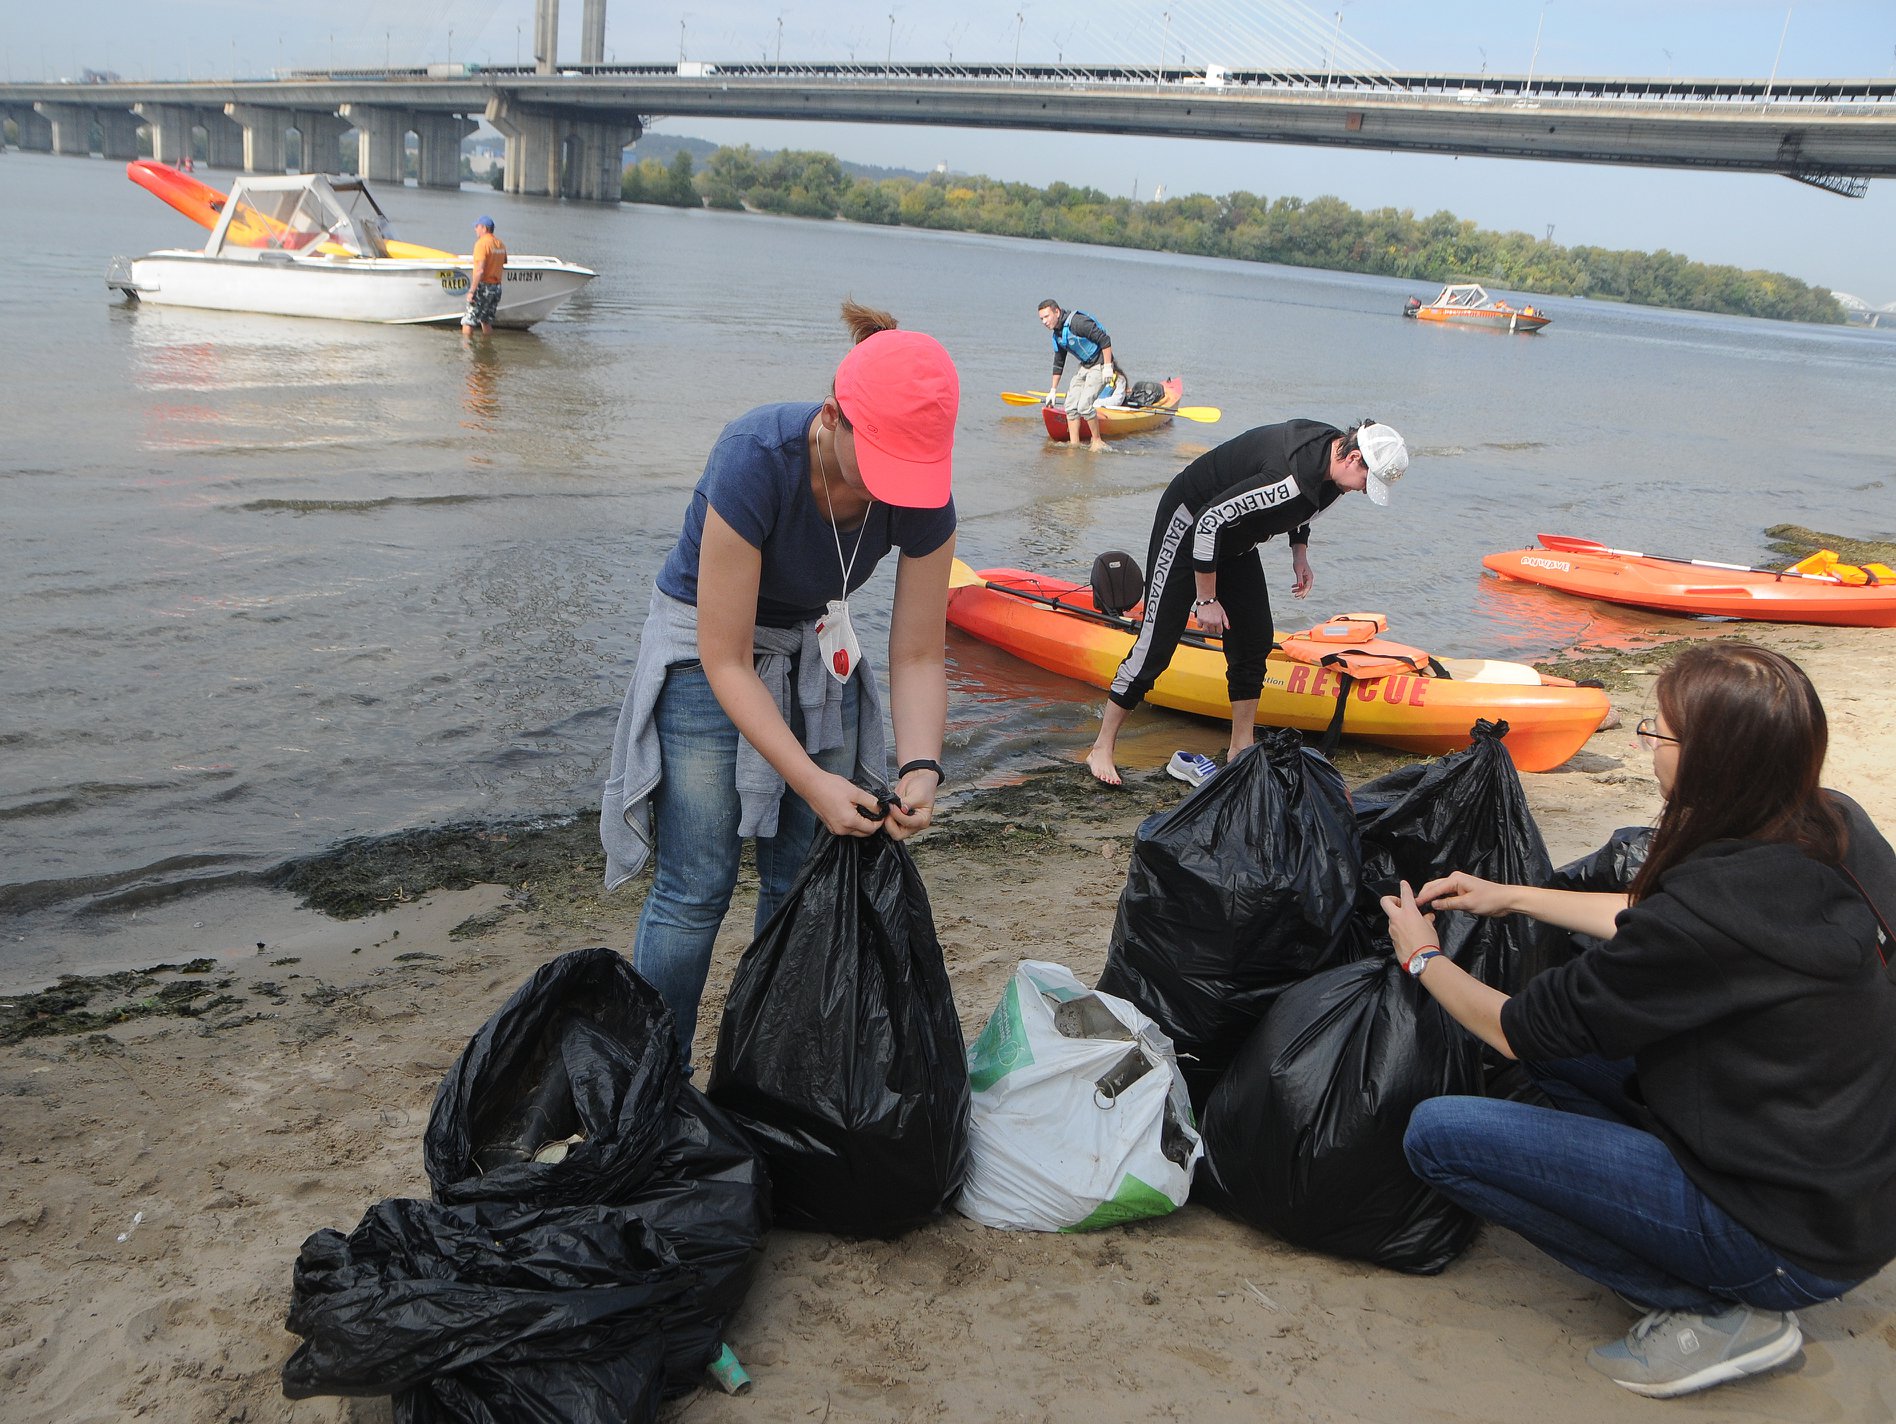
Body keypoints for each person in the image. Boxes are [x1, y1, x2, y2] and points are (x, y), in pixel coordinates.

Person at [1381, 642, 1896, 1400]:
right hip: (1844, 1189)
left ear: (1712, 761)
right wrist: (1512, 895)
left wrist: (1423, 959)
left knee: (1438, 1135)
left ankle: (1709, 1309)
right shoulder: (1832, 825)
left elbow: (1513, 1029)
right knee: (1563, 1050)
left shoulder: (1708, 911)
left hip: (1784, 1236)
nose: (1644, 748)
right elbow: (1655, 923)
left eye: (1655, 735)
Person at [599, 300, 960, 1062]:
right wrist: (810, 781)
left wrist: (922, 764)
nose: (893, 493)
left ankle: (766, 1066)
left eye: (911, 472)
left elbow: (921, 652)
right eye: (883, 465)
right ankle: (650, 1077)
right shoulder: (755, 456)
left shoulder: (922, 498)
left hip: (810, 642)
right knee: (697, 884)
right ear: (832, 418)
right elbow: (725, 657)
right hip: (707, 642)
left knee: (800, 879)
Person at [1084, 418, 1410, 786]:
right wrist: (1206, 599)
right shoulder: (1287, 475)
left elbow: (1306, 504)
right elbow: (1207, 523)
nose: (1365, 491)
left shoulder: (1332, 463)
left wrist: (1298, 552)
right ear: (1353, 457)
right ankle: (1102, 747)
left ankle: (1240, 747)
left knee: (1254, 638)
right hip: (1189, 524)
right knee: (1157, 644)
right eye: (1369, 482)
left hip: (1233, 536)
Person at [1036, 299, 1115, 451]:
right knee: (1070, 405)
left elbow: (1105, 340)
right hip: (1085, 366)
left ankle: (1097, 441)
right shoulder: (1057, 335)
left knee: (1084, 406)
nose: (1044, 322)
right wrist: (1053, 390)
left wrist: (1107, 367)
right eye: (1041, 319)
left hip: (1100, 363)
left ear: (1057, 312)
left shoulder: (1078, 323)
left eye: (1046, 316)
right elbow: (1059, 362)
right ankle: (1074, 445)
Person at [461, 216, 506, 338]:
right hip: (496, 288)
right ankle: (487, 347)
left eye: (477, 226)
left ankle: (466, 353)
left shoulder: (481, 244)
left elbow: (480, 270)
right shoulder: (500, 244)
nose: (475, 229)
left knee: (468, 320)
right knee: (486, 321)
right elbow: (503, 262)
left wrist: (471, 291)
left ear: (484, 228)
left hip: (483, 286)